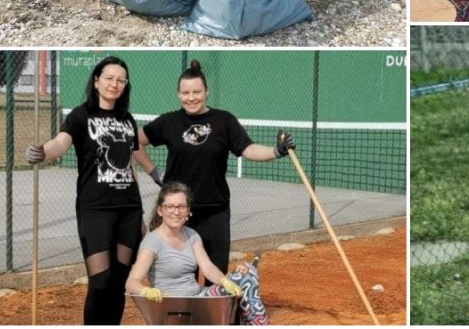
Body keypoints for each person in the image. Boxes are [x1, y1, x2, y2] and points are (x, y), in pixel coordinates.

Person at [133, 60, 296, 276]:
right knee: (182, 275)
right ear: (178, 94)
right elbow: (134, 142)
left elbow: (248, 149)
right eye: (185, 93)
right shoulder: (168, 122)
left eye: (197, 92)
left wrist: (277, 151)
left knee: (216, 275)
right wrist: (155, 173)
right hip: (178, 213)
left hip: (215, 212)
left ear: (207, 91)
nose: (191, 98)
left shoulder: (224, 121)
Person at [24, 56, 151, 324]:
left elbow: (129, 166)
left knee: (119, 281)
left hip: (128, 209)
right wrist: (42, 152)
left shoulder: (127, 119)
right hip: (95, 209)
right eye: (109, 78)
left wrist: (139, 215)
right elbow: (60, 143)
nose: (114, 84)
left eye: (121, 80)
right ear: (96, 81)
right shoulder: (81, 116)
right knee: (101, 281)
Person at [126, 182, 269, 325]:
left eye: (181, 206)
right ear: (159, 210)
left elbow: (207, 267)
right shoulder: (152, 242)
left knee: (247, 272)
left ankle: (253, 323)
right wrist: (146, 292)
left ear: (188, 210)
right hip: (171, 304)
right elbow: (131, 282)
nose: (176, 212)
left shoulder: (192, 235)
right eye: (170, 206)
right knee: (246, 280)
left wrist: (226, 281)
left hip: (197, 298)